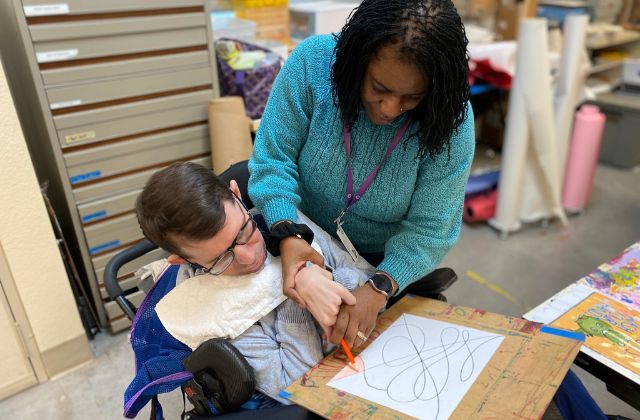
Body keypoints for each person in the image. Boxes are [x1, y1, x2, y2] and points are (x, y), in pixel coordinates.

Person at [248, 0, 474, 348]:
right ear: (356, 61)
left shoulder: (450, 121)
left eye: (411, 97)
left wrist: (380, 287)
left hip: (377, 261)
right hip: (295, 228)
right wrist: (288, 234)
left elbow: (431, 229)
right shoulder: (312, 65)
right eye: (379, 89)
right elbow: (273, 161)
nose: (390, 109)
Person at [133, 161, 375, 403]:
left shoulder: (282, 219)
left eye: (243, 232)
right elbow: (298, 388)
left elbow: (368, 280)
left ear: (237, 194)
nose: (249, 258)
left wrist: (319, 275)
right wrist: (295, 291)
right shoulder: (212, 311)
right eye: (220, 258)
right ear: (181, 260)